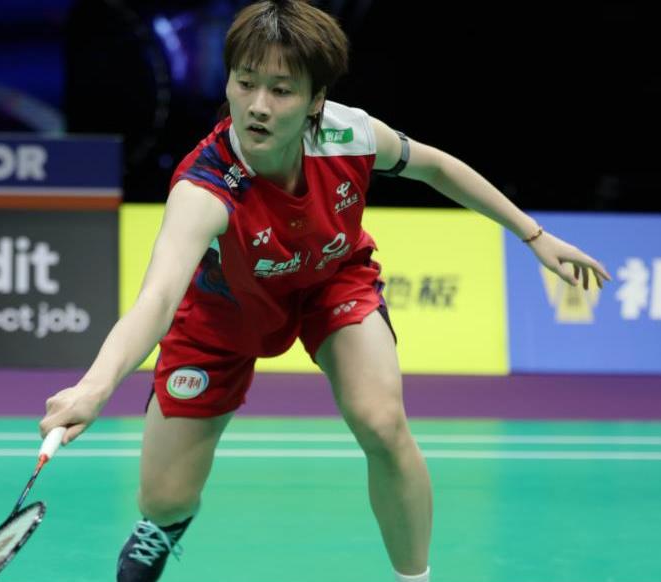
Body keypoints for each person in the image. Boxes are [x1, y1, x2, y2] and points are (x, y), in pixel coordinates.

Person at [39, 1, 611, 581]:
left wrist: (534, 235)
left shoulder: (347, 134)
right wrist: (95, 386)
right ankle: (163, 526)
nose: (259, 105)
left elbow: (436, 167)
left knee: (381, 422)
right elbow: (158, 299)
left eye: (282, 90)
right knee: (164, 498)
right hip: (223, 314)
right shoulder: (205, 187)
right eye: (245, 83)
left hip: (329, 282)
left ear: (316, 99)